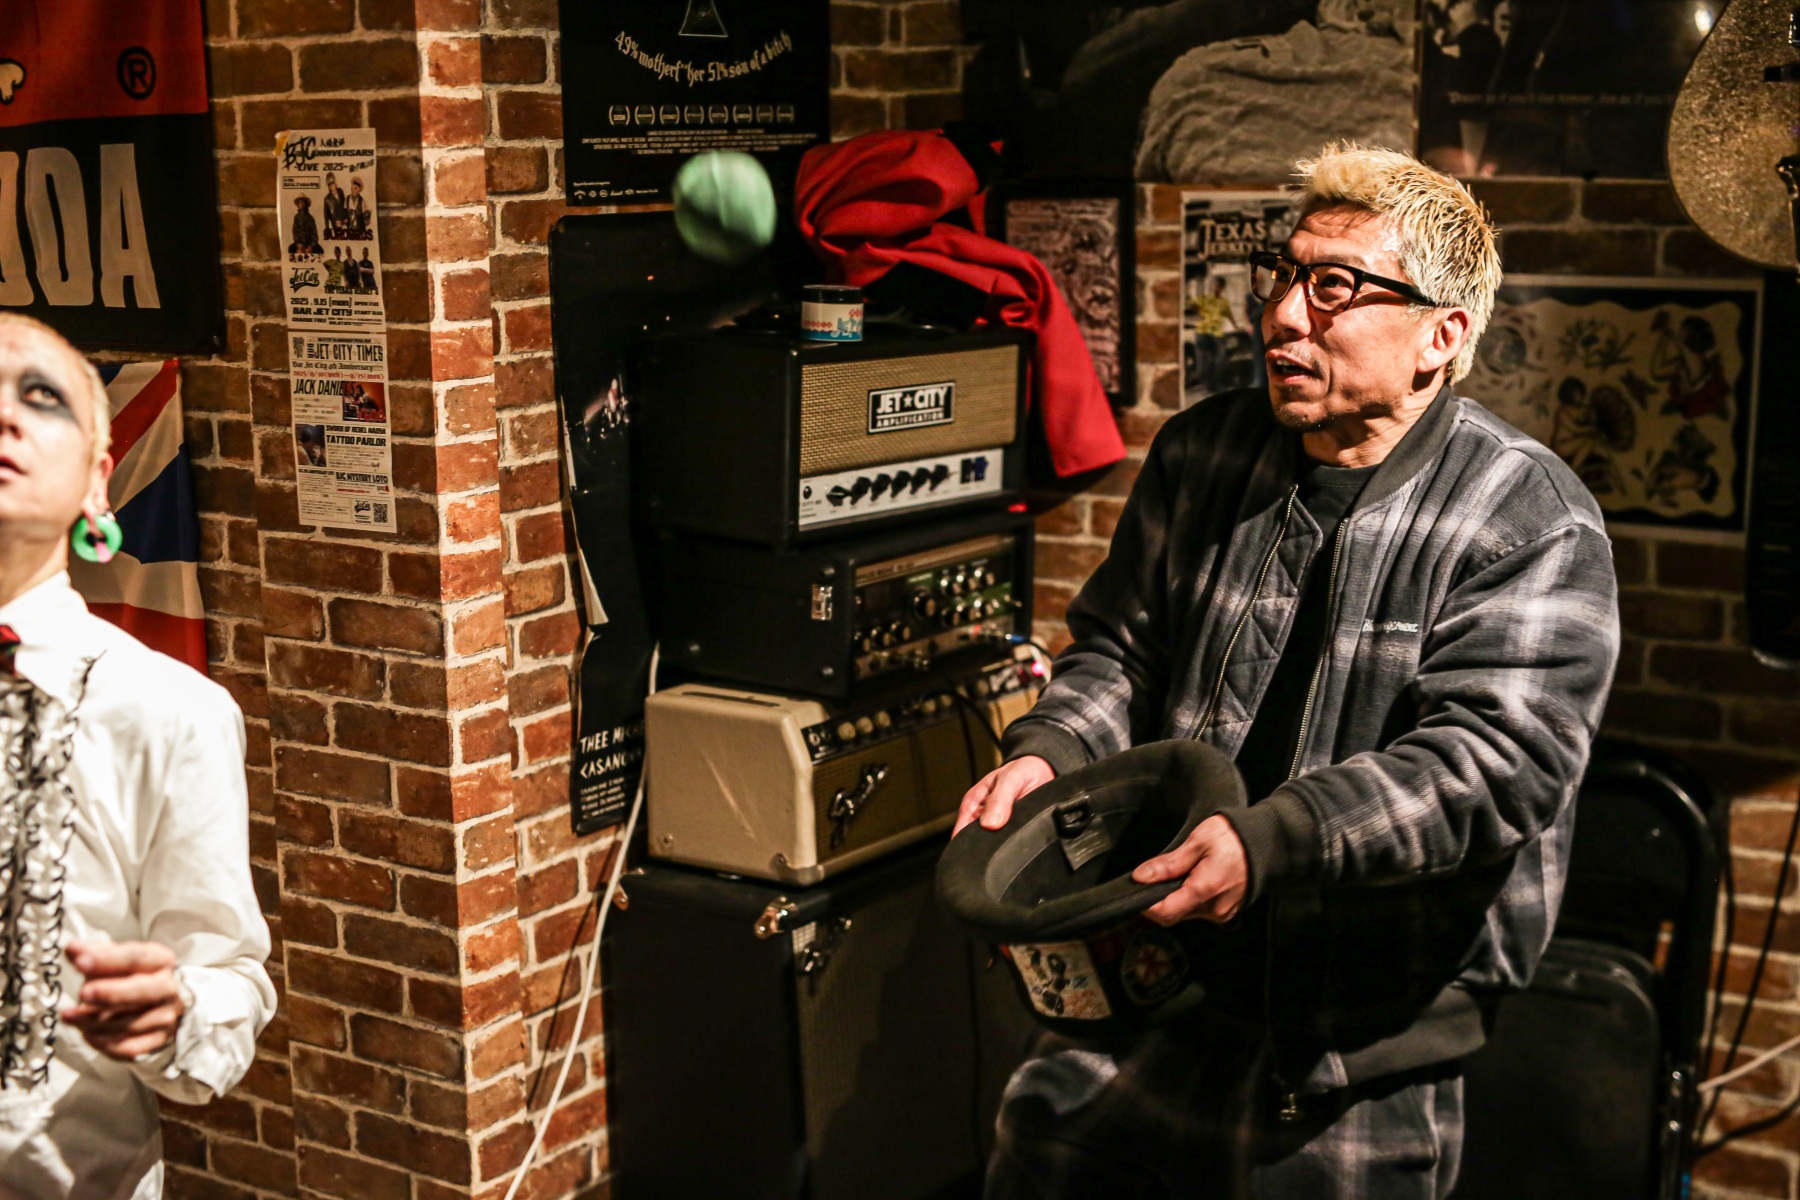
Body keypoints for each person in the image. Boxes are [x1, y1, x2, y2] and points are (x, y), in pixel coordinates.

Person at [958, 144, 1619, 1199]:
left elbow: (1497, 763)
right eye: (1285, 273)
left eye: (1337, 287)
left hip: (1353, 1051)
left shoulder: (1528, 516)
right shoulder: (1204, 454)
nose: (1282, 314)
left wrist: (1272, 842)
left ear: (1442, 336)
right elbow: (1121, 649)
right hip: (1148, 987)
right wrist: (1052, 753)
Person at [0, 314, 274, 1200]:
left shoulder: (170, 713)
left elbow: (228, 983)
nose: (4, 416)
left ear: (96, 482)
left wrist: (175, 1010)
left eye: (40, 398)